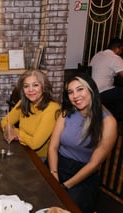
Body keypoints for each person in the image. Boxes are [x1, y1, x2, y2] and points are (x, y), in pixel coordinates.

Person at [48, 73, 117, 213]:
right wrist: (53, 174)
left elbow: (94, 164)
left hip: (83, 175)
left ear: (91, 89)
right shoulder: (66, 113)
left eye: (80, 89)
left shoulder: (108, 122)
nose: (75, 96)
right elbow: (53, 147)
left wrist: (65, 186)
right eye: (70, 92)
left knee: (66, 206)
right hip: (58, 164)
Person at [1, 70, 59, 158]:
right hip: (22, 150)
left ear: (44, 87)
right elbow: (4, 121)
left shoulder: (52, 108)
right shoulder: (23, 103)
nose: (30, 90)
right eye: (26, 86)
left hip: (40, 159)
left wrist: (15, 132)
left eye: (35, 85)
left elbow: (35, 143)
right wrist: (9, 129)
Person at [89, 38, 123, 119]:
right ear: (117, 48)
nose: (121, 53)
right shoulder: (115, 58)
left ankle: (110, 115)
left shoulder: (98, 54)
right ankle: (113, 117)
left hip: (91, 90)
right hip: (102, 92)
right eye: (122, 50)